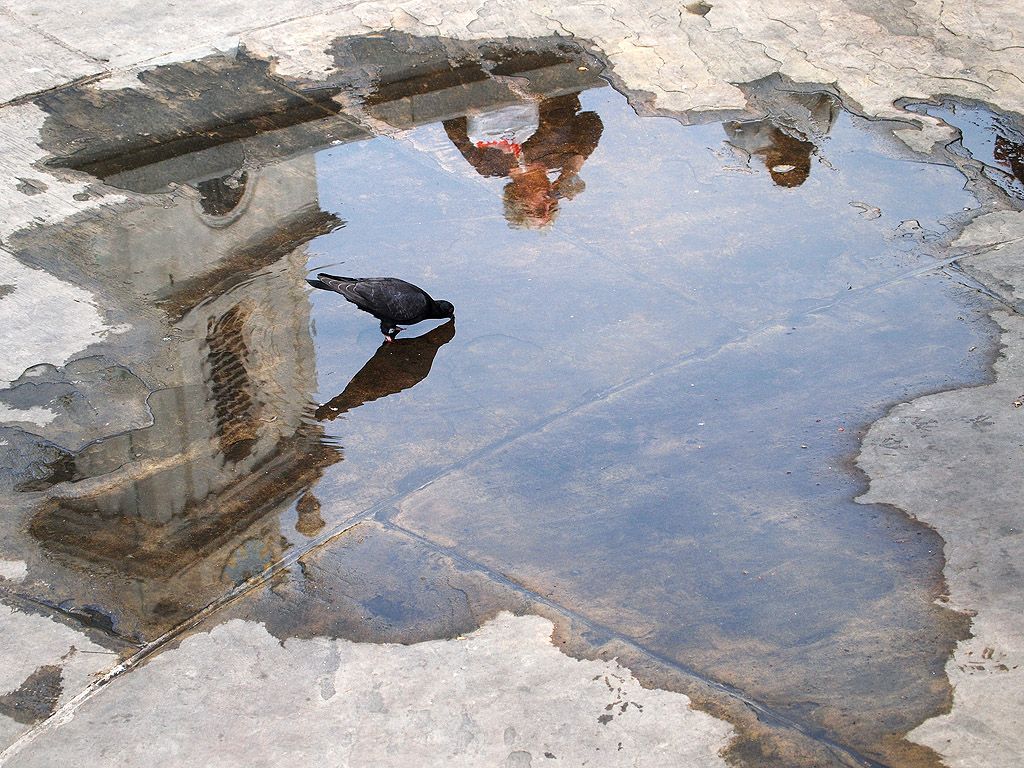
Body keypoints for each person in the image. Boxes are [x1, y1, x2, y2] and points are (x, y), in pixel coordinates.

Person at [444, 93, 603, 228]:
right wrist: (571, 171)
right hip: (551, 78)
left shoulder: (488, 165)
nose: (549, 203)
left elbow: (451, 122)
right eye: (553, 207)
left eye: (539, 210)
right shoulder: (562, 159)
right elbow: (592, 121)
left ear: (516, 198)